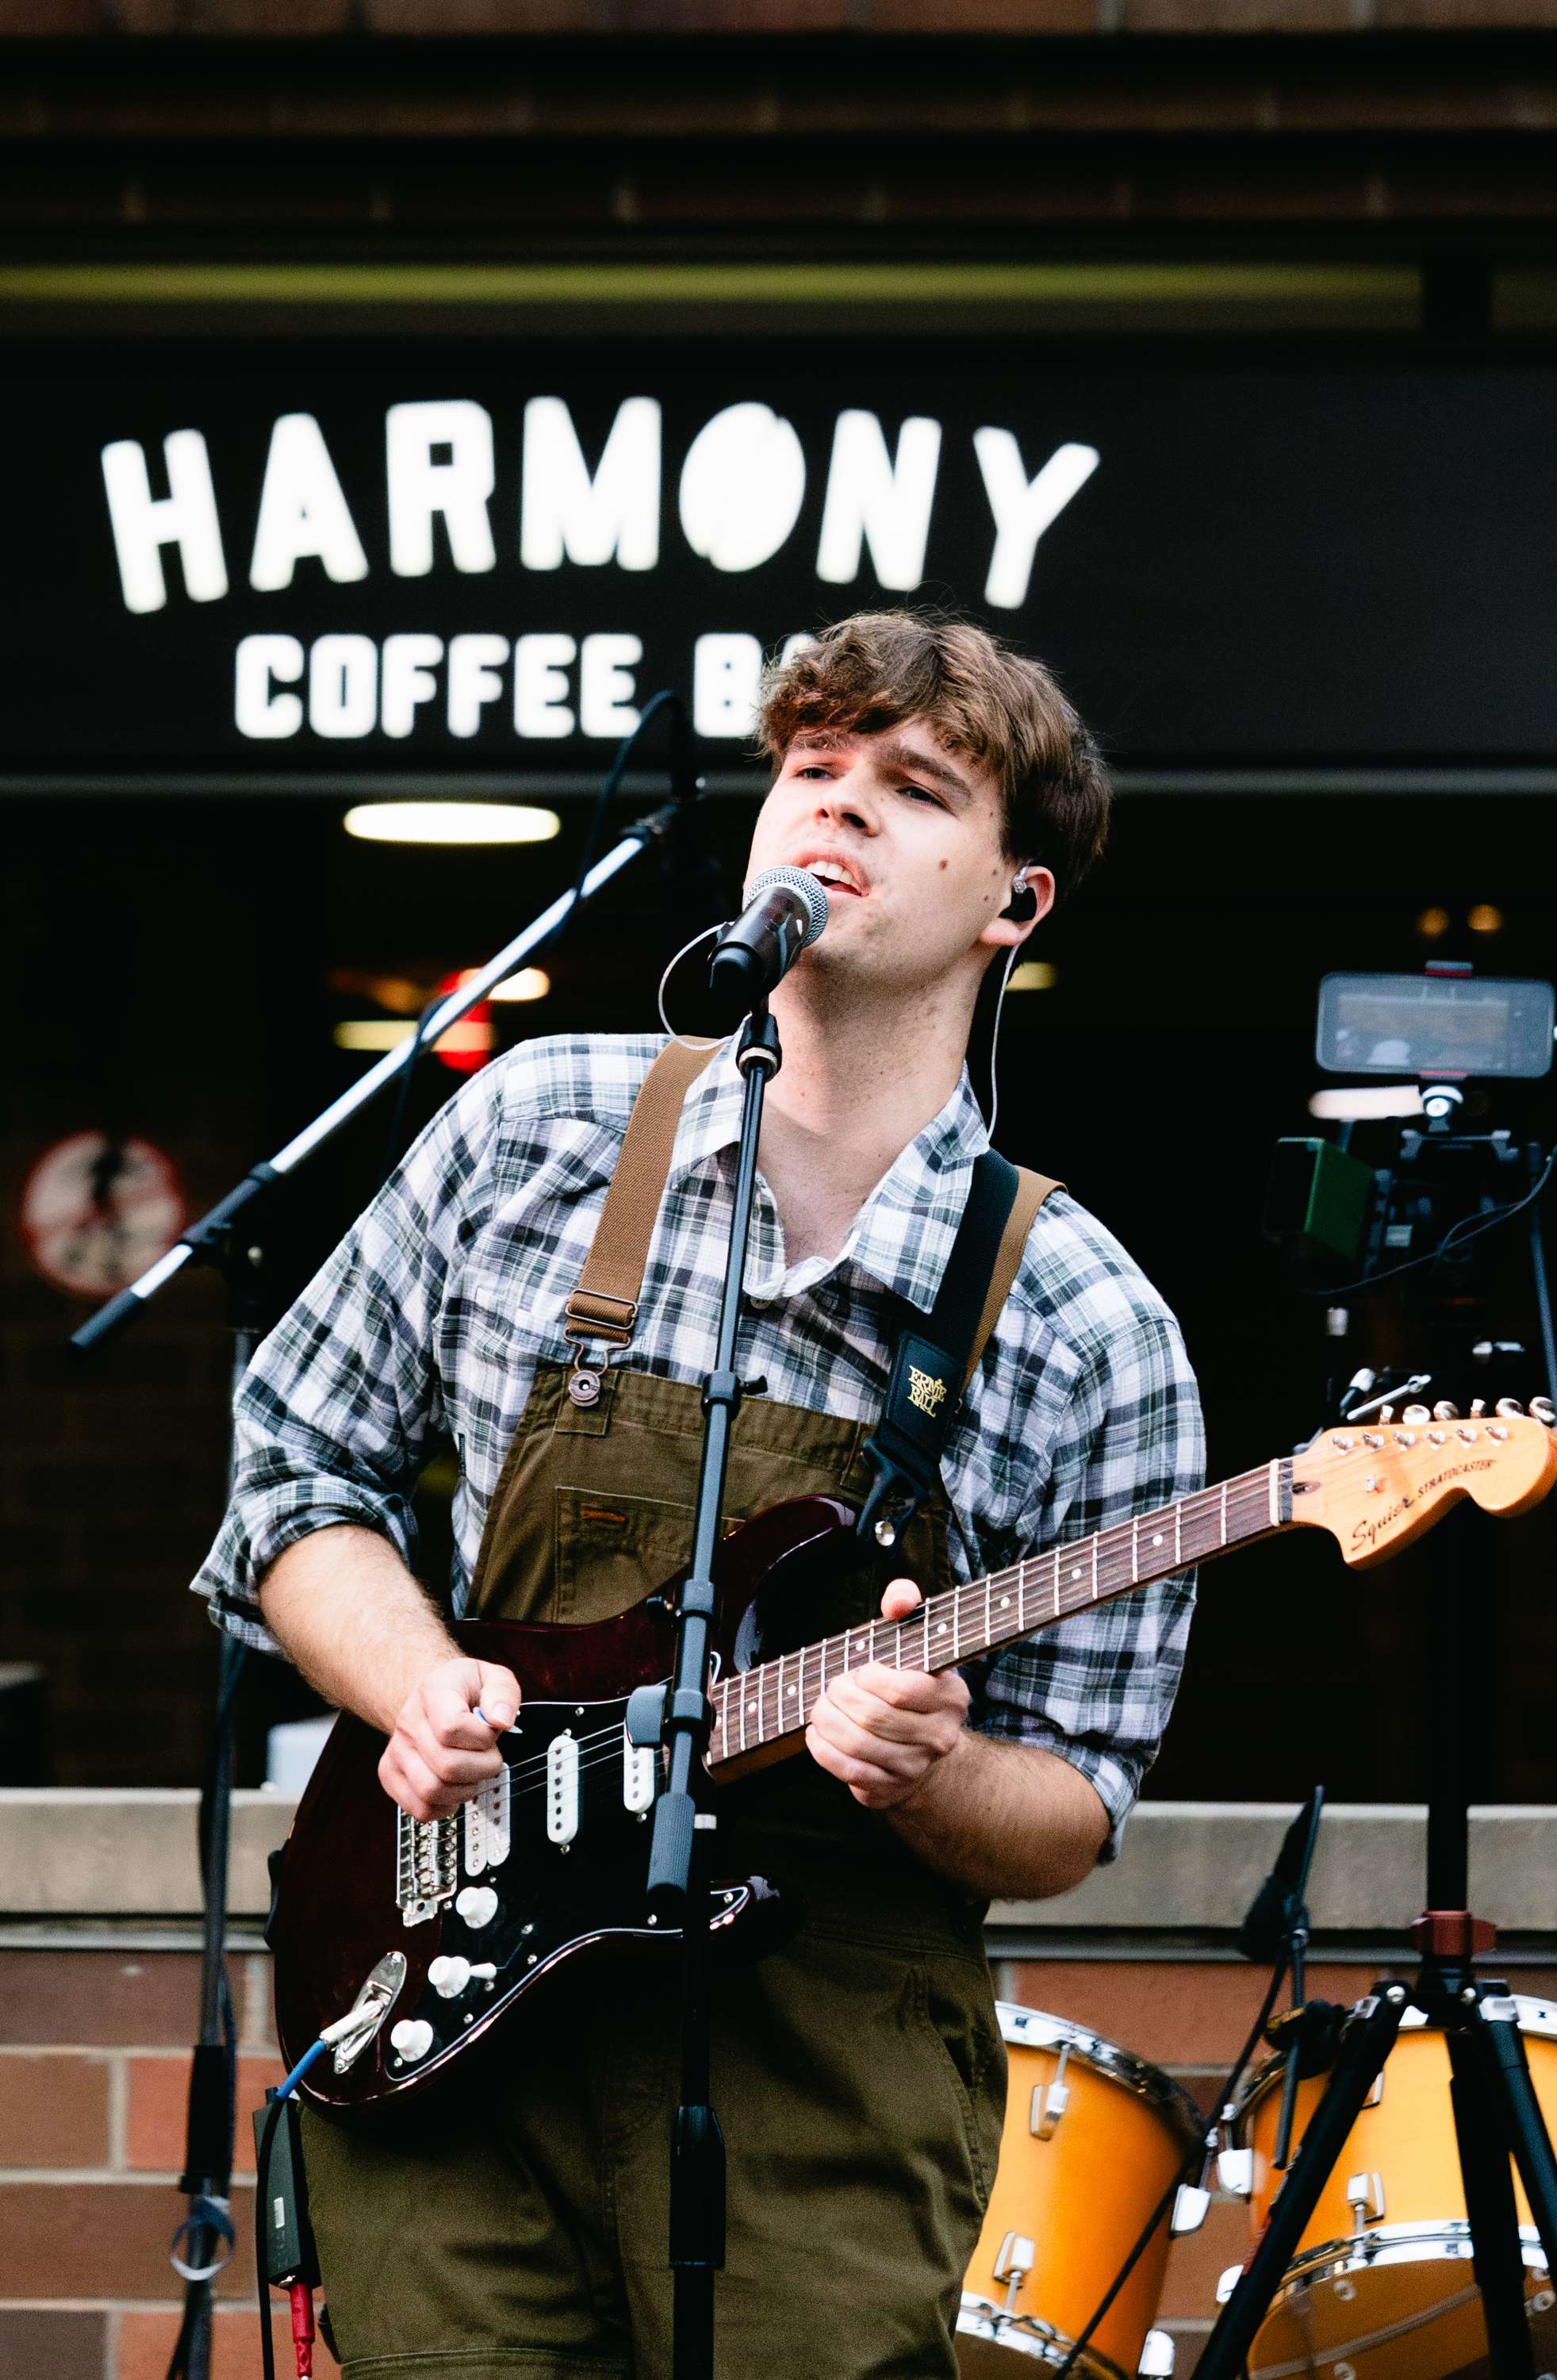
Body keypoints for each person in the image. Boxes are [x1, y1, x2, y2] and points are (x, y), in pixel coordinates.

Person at [194, 609, 1204, 2380]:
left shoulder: (1084, 1316)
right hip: (442, 2015)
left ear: (1012, 903)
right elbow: (296, 1469)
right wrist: (410, 1685)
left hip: (811, 2084)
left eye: (909, 788)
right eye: (811, 770)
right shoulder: (535, 1130)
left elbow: (1075, 1803)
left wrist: (936, 1767)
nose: (836, 811)